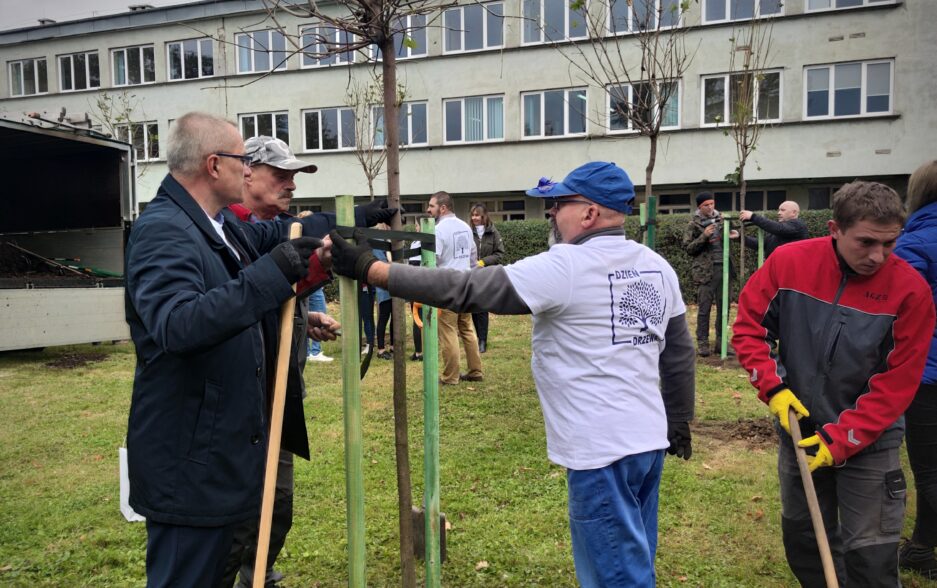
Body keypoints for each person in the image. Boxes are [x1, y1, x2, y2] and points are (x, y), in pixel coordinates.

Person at [328, 161, 696, 586]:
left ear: (590, 212)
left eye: (560, 203)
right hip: (647, 443)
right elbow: (678, 353)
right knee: (633, 559)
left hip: (602, 453)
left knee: (615, 576)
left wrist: (372, 270)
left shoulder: (567, 266)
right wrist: (678, 419)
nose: (552, 212)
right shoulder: (655, 266)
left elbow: (466, 289)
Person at [125, 112, 395, 586]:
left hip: (220, 454)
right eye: (241, 161)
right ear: (214, 165)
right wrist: (275, 272)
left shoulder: (219, 225)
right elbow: (178, 324)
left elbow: (285, 236)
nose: (247, 170)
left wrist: (337, 236)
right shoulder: (164, 229)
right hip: (190, 464)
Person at [732, 180, 935, 587]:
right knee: (806, 541)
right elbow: (749, 329)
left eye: (890, 243)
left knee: (871, 558)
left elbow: (898, 382)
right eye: (866, 242)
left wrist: (842, 439)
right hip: (800, 428)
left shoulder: (910, 290)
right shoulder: (789, 262)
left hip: (870, 439)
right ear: (834, 229)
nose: (878, 256)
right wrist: (774, 389)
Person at [223, 135, 340, 588]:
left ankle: (259, 574)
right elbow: (231, 306)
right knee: (239, 511)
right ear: (247, 172)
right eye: (280, 174)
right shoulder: (226, 231)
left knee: (279, 502)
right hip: (240, 401)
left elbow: (271, 300)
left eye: (294, 176)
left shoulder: (283, 229)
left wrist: (304, 321)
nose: (291, 184)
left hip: (281, 394)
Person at [893, 160, 937, 579]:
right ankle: (922, 547)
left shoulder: (915, 243)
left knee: (930, 468)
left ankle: (923, 548)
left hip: (928, 372)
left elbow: (895, 310)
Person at [427, 191, 483, 384]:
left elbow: (433, 260)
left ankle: (450, 376)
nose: (428, 209)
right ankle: (475, 370)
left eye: (431, 206)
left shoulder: (438, 230)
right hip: (466, 282)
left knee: (448, 330)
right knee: (466, 328)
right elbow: (473, 258)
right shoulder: (466, 227)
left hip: (448, 286)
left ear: (442, 208)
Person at [683, 192, 737, 357]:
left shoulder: (722, 219)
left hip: (725, 269)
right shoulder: (693, 224)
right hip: (705, 272)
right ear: (699, 206)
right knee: (704, 308)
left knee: (724, 308)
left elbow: (735, 233)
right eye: (706, 205)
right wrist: (704, 236)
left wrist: (731, 228)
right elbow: (688, 248)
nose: (710, 207)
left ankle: (721, 343)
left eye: (712, 204)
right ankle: (703, 343)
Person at [469, 203, 505, 353]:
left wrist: (483, 262)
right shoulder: (468, 232)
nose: (474, 218)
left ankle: (482, 340)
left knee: (482, 307)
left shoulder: (493, 232)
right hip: (471, 274)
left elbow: (499, 254)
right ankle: (477, 337)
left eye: (477, 215)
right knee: (473, 307)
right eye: (473, 215)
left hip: (485, 275)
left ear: (484, 216)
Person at [737, 200, 809, 258]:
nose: (779, 213)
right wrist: (739, 237)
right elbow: (760, 244)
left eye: (783, 210)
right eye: (779, 210)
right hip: (775, 267)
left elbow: (779, 228)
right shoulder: (778, 230)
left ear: (794, 212)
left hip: (789, 268)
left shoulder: (798, 225)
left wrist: (753, 217)